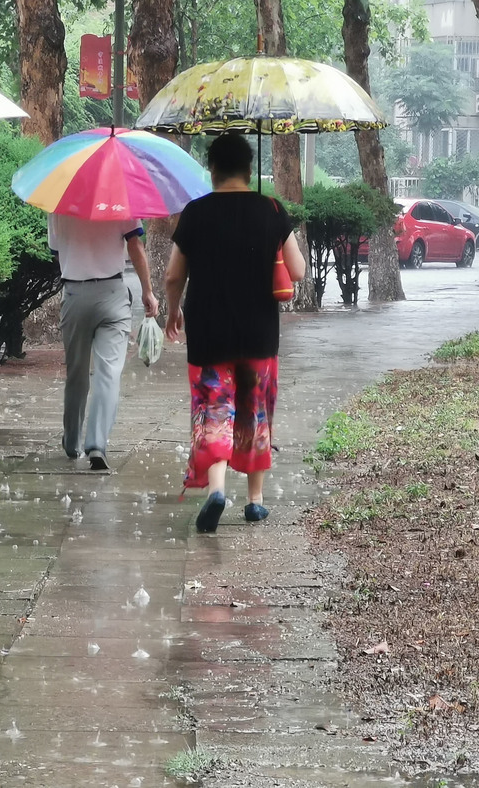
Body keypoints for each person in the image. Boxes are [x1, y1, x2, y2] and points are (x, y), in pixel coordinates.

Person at [163, 132, 306, 533]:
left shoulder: (195, 212)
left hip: (208, 332)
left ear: (212, 170)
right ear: (248, 169)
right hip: (258, 333)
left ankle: (217, 489)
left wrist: (173, 313)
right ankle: (256, 502)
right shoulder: (272, 209)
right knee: (253, 411)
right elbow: (298, 272)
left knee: (214, 408)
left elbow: (174, 275)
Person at [49, 213, 160, 470]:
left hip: (75, 293)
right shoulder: (120, 199)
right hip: (113, 294)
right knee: (109, 372)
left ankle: (72, 441)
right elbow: (135, 245)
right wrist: (147, 290)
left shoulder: (58, 204)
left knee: (76, 372)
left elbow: (57, 250)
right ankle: (97, 444)